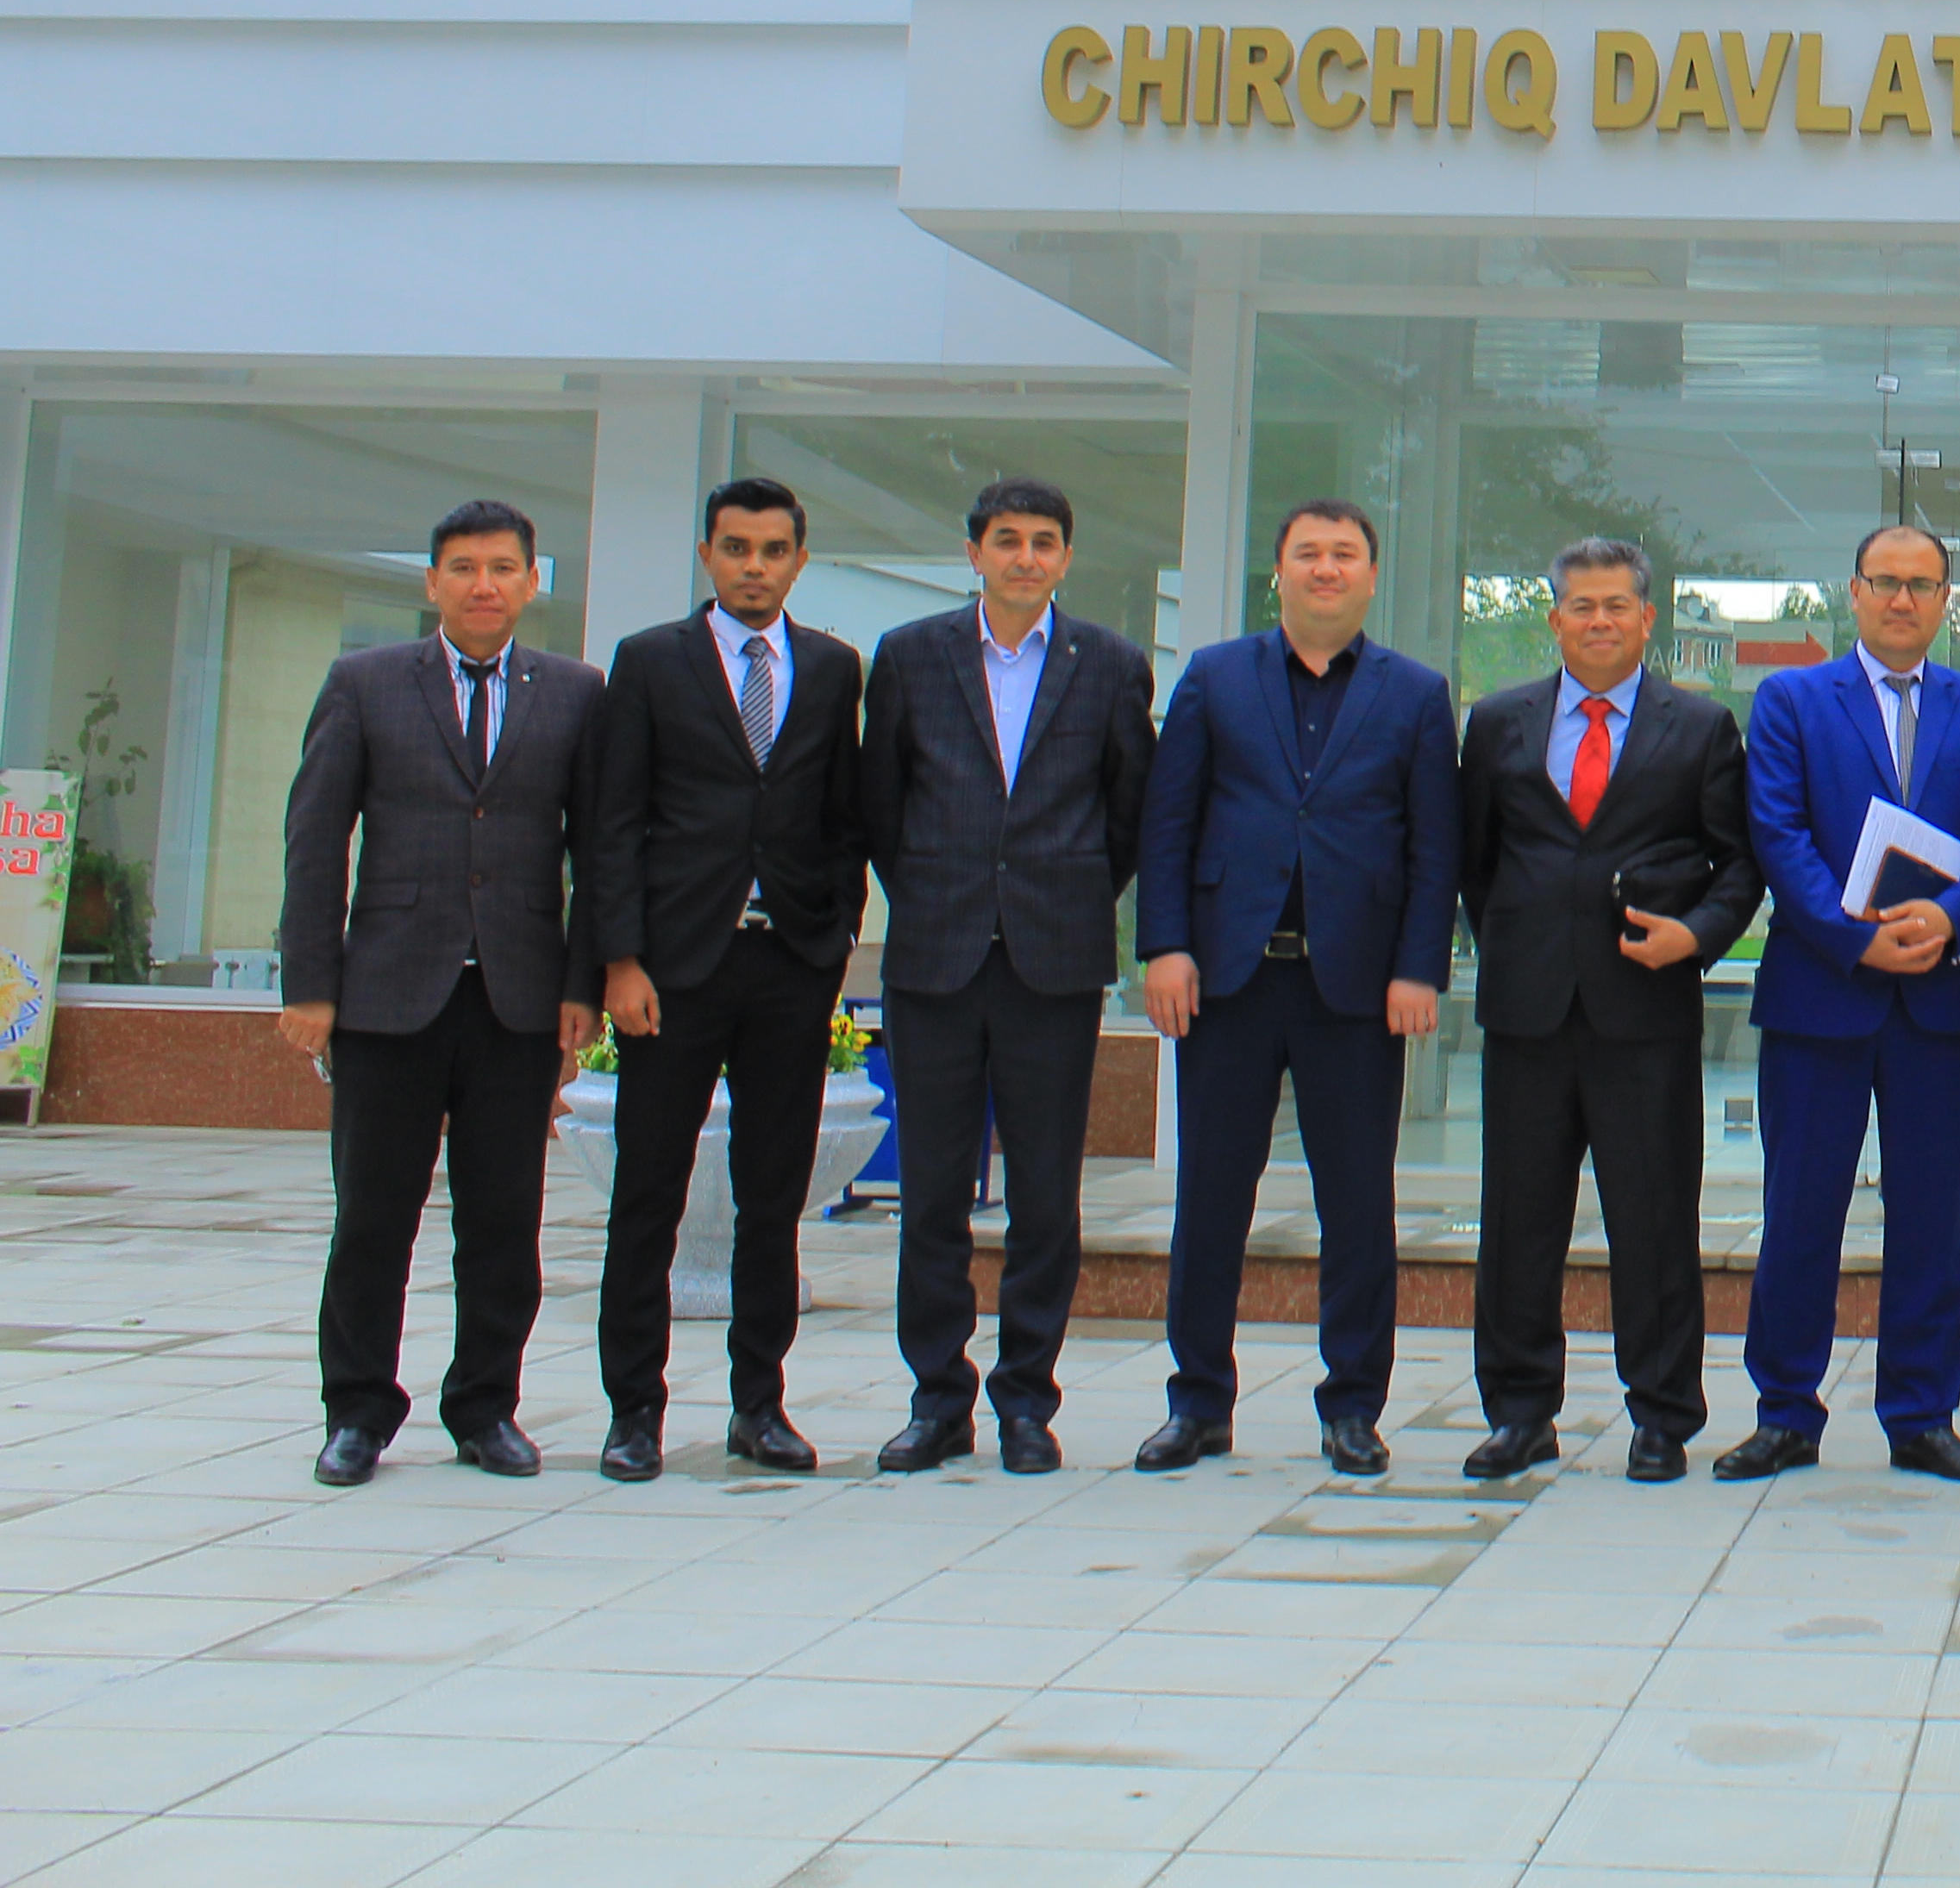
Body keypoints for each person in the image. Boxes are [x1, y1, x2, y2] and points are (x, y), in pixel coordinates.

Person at [277, 499, 604, 1487]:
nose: (483, 585)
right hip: (386, 997)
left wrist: (582, 985)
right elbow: (315, 837)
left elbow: (598, 851)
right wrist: (312, 984)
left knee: (502, 1222)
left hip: (518, 999)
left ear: (532, 582)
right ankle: (357, 1413)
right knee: (374, 1218)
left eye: (503, 567)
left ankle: (485, 1408)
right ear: (432, 582)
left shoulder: (575, 692)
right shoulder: (365, 682)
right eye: (463, 568)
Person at [1132, 499, 1457, 1476]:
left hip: (1355, 990)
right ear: (1278, 571)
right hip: (1227, 981)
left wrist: (1419, 967)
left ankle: (1352, 1406)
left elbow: (1434, 847)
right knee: (1210, 1199)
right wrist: (1164, 946)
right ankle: (1198, 1403)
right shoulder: (1215, 675)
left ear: (1370, 575)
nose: (1326, 568)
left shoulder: (1415, 693)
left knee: (1357, 1205)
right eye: (1308, 553)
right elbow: (1168, 821)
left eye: (1344, 554)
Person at [853, 476, 1156, 1476]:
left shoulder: (1109, 664)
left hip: (1053, 961)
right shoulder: (911, 656)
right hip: (935, 956)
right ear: (974, 552)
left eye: (1044, 541)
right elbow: (881, 804)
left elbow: (1129, 812)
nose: (1026, 557)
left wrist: (1063, 891)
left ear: (1066, 557)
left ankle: (1027, 1400)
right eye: (1008, 540)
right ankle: (937, 1400)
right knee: (934, 1193)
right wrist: (939, 892)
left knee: (1045, 1196)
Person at [576, 476, 870, 1483]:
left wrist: (832, 940)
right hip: (673, 971)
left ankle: (760, 1406)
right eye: (737, 548)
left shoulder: (831, 668)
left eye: (773, 550)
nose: (755, 566)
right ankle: (634, 1414)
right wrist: (620, 960)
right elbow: (612, 820)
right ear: (707, 555)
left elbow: (843, 816)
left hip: (787, 964)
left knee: (771, 1201)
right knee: (646, 1198)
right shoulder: (650, 661)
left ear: (798, 560)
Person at [1456, 535, 1763, 1485]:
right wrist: (1521, 943)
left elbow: (1740, 864)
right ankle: (1519, 1413)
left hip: (1646, 1009)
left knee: (1655, 1221)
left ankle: (1662, 1416)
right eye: (1580, 607)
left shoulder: (1700, 728)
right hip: (1527, 1013)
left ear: (1646, 617)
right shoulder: (1498, 723)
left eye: (1616, 605)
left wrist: (1695, 937)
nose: (1598, 621)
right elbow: (1476, 862)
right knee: (1518, 1222)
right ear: (1554, 619)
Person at [1726, 522, 1960, 1482]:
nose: (1902, 599)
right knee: (1800, 1210)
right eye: (1884, 581)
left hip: (1939, 999)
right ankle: (1784, 1412)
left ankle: (1922, 1415)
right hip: (1821, 997)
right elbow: (1777, 832)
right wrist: (1856, 937)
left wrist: (1952, 917)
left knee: (1931, 1217)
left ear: (1945, 601)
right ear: (1853, 592)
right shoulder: (1793, 700)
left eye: (1922, 584)